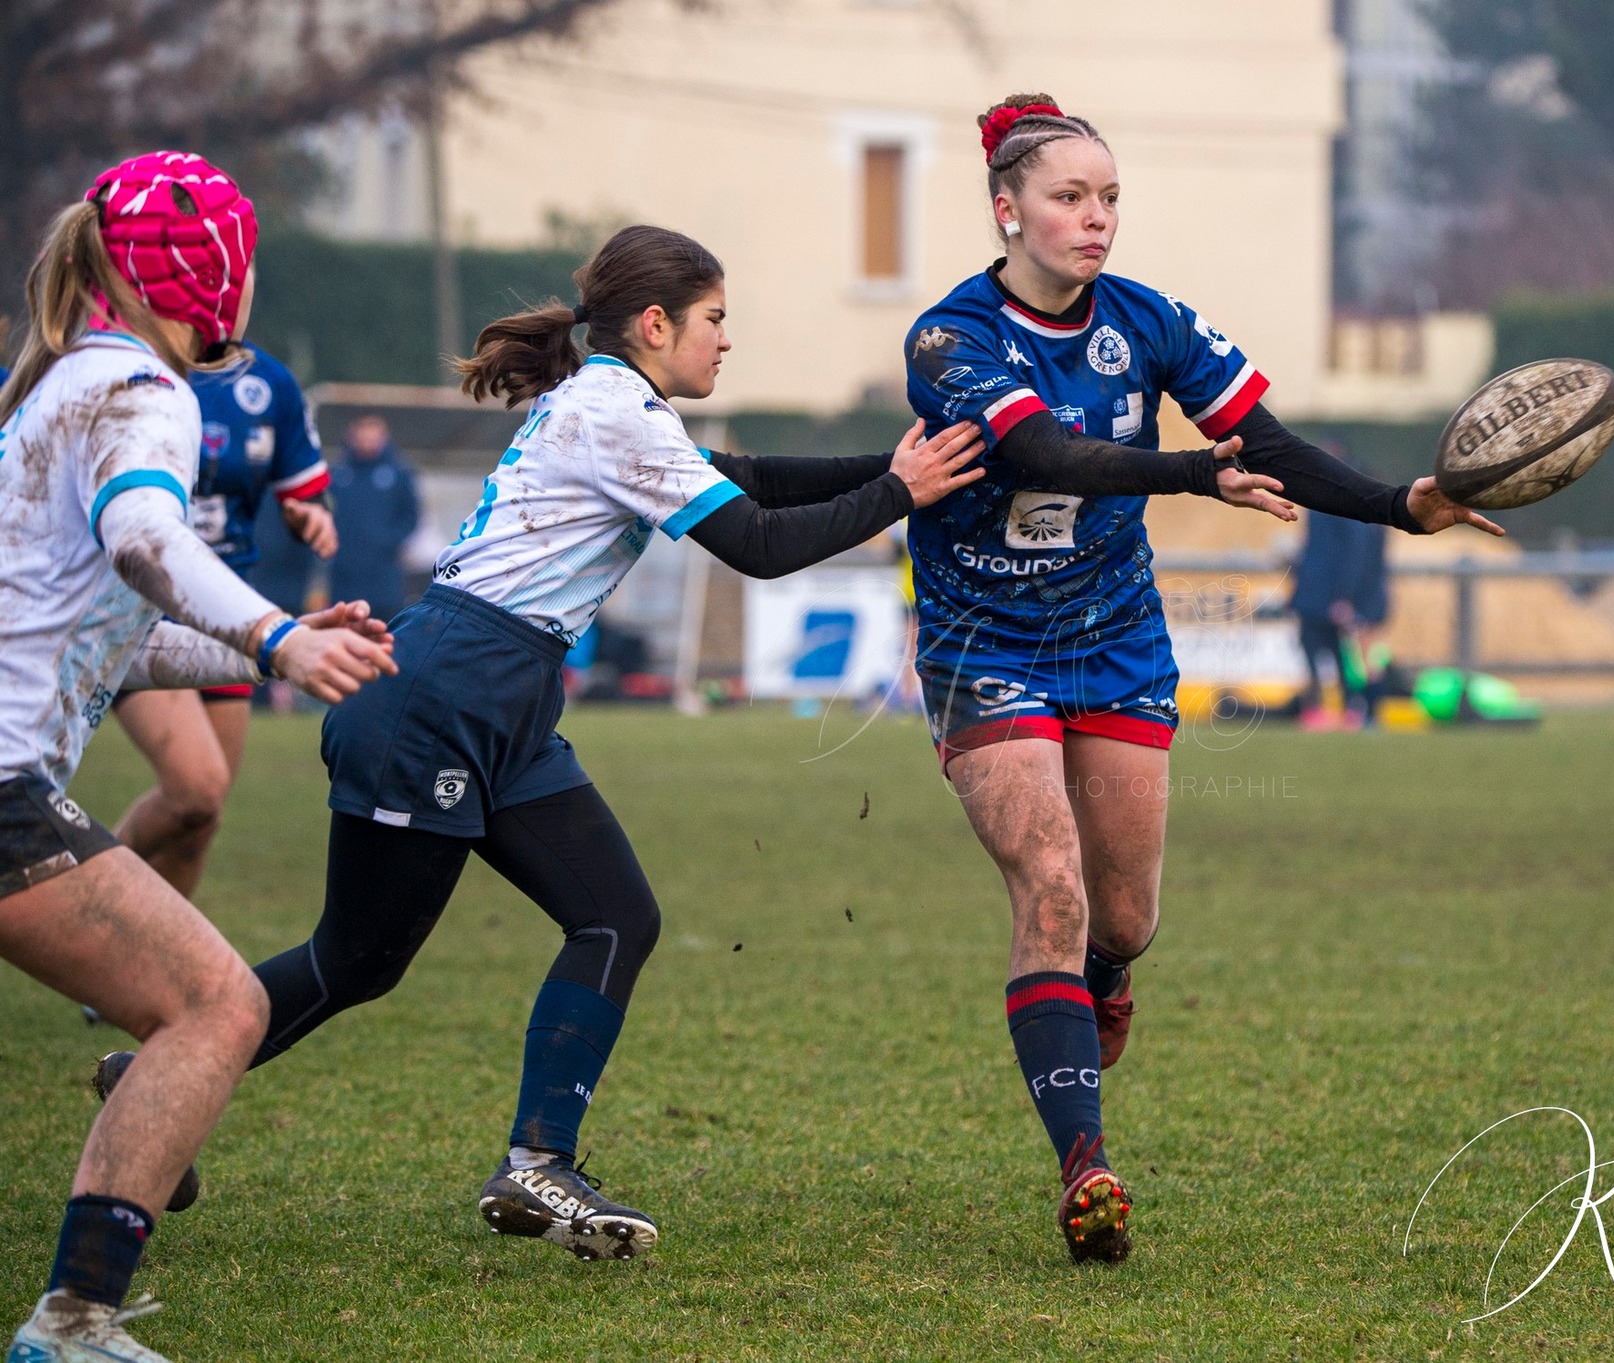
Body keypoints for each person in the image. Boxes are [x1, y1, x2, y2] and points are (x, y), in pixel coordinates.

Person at [102, 224, 987, 1265]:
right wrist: (899, 493)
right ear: (655, 325)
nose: (725, 343)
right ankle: (157, 1074)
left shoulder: (619, 403)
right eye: (714, 322)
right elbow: (751, 544)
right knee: (357, 962)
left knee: (615, 917)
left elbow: (744, 476)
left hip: (504, 703)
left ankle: (535, 1162)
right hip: (440, 696)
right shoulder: (613, 408)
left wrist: (893, 466)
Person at [900, 95, 1505, 1264]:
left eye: (1109, 197)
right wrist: (1188, 472)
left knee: (1123, 919)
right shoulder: (949, 338)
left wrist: (1398, 505)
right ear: (1006, 209)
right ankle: (1086, 1166)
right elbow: (1039, 450)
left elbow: (1262, 442)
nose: (1095, 220)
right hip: (985, 645)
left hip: (1116, 638)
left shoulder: (1148, 319)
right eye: (1070, 197)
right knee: (1053, 888)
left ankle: (1106, 978)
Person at [0, 152, 394, 1362]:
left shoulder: (63, 381)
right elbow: (143, 539)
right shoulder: (141, 395)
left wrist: (258, 641)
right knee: (219, 1005)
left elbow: (90, 635)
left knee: (196, 1004)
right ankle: (73, 1321)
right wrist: (269, 636)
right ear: (215, 276)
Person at [109, 340, 336, 895]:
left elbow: (304, 491)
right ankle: (81, 895)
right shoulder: (120, 366)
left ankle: (148, 968)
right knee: (197, 788)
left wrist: (308, 514)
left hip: (229, 611)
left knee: (198, 822)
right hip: (135, 610)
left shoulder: (269, 383)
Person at [1290, 506, 1390, 729]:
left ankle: (1362, 712)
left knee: (1359, 658)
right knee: (1349, 657)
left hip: (1350, 600)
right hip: (1342, 598)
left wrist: (1345, 596)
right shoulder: (1362, 513)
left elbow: (1355, 556)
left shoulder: (1345, 513)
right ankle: (1355, 712)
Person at [328, 413, 419, 621]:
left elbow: (411, 517)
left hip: (384, 576)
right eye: (362, 436)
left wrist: (387, 541)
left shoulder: (398, 474)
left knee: (385, 634)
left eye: (372, 436)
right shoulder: (337, 475)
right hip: (344, 576)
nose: (366, 442)